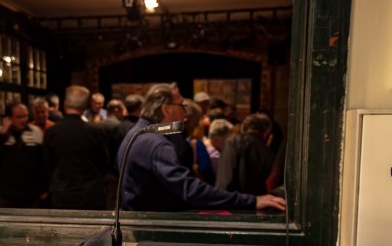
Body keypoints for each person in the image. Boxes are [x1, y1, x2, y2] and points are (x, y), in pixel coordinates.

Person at [115, 83, 286, 213]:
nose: (185, 114)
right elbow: (189, 190)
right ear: (166, 109)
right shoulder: (157, 143)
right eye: (182, 106)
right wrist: (253, 201)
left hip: (139, 222)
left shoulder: (137, 133)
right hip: (155, 230)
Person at [44, 86, 110, 209]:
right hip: (90, 195)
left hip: (61, 194)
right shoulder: (95, 132)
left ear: (64, 104)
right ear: (85, 107)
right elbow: (104, 165)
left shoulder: (51, 132)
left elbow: (48, 165)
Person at [0, 101, 46, 208]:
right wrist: (3, 133)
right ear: (9, 118)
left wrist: (44, 188)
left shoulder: (36, 132)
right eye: (19, 117)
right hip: (4, 193)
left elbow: (43, 162)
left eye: (26, 116)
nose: (24, 120)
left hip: (30, 193)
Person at [216, 112, 275, 195]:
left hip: (232, 199)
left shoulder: (232, 143)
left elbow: (224, 181)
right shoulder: (268, 151)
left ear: (244, 127)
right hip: (256, 200)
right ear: (266, 131)